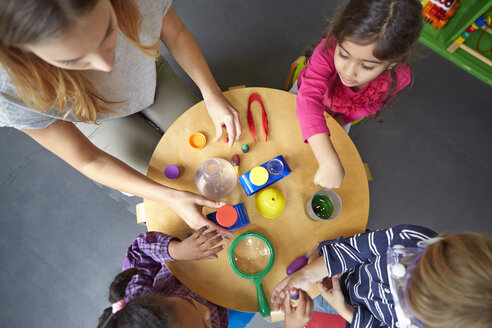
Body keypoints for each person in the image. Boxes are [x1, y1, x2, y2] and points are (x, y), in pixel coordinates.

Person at [0, 0, 241, 236]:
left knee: (209, 141)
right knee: (166, 181)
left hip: (147, 74)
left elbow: (176, 34)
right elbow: (89, 160)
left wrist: (211, 93)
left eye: (108, 31)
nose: (106, 65)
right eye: (71, 61)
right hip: (90, 115)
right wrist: (168, 197)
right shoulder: (7, 90)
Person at [294, 0, 423, 189]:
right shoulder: (328, 48)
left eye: (366, 66)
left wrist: (341, 120)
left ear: (394, 61)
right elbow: (307, 99)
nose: (348, 71)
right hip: (303, 101)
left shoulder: (399, 78)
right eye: (343, 55)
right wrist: (329, 161)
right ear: (338, 37)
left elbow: (370, 106)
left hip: (340, 117)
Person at [271, 224, 492, 328]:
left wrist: (344, 310)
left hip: (346, 305)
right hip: (342, 266)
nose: (399, 280)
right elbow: (358, 248)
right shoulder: (413, 239)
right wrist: (310, 273)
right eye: (409, 264)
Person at [98, 226, 314, 328]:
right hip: (230, 311)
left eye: (189, 303)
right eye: (205, 325)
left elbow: (140, 251)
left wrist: (177, 250)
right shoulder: (210, 316)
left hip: (196, 268)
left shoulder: (136, 297)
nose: (205, 311)